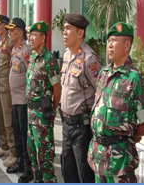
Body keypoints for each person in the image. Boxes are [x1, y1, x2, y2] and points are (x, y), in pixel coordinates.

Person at [88, 22, 144, 183]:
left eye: (114, 41)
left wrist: (130, 136)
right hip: (97, 156)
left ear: (127, 45)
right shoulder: (104, 74)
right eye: (109, 40)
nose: (109, 45)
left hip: (120, 161)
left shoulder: (135, 79)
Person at [59, 13, 102, 183]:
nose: (64, 32)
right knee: (67, 171)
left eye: (68, 29)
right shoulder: (68, 55)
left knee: (84, 173)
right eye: (64, 29)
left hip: (81, 128)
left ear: (80, 33)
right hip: (65, 125)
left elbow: (101, 91)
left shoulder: (89, 59)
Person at [24, 21, 62, 184]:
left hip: (42, 114)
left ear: (43, 37)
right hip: (31, 114)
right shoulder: (33, 57)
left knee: (45, 154)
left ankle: (48, 180)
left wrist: (51, 110)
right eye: (30, 35)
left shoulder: (49, 60)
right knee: (32, 151)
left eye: (33, 35)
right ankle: (38, 178)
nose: (30, 38)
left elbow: (57, 88)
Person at [6, 18, 33, 178]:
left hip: (23, 101)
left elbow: (31, 76)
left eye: (11, 30)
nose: (9, 33)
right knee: (17, 133)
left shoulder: (26, 51)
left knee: (24, 135)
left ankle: (28, 168)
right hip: (15, 101)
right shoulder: (15, 49)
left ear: (20, 32)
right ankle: (20, 161)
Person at [0, 15, 16, 166]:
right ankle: (4, 145)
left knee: (8, 120)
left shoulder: (10, 43)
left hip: (6, 86)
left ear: (6, 26)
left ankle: (13, 151)